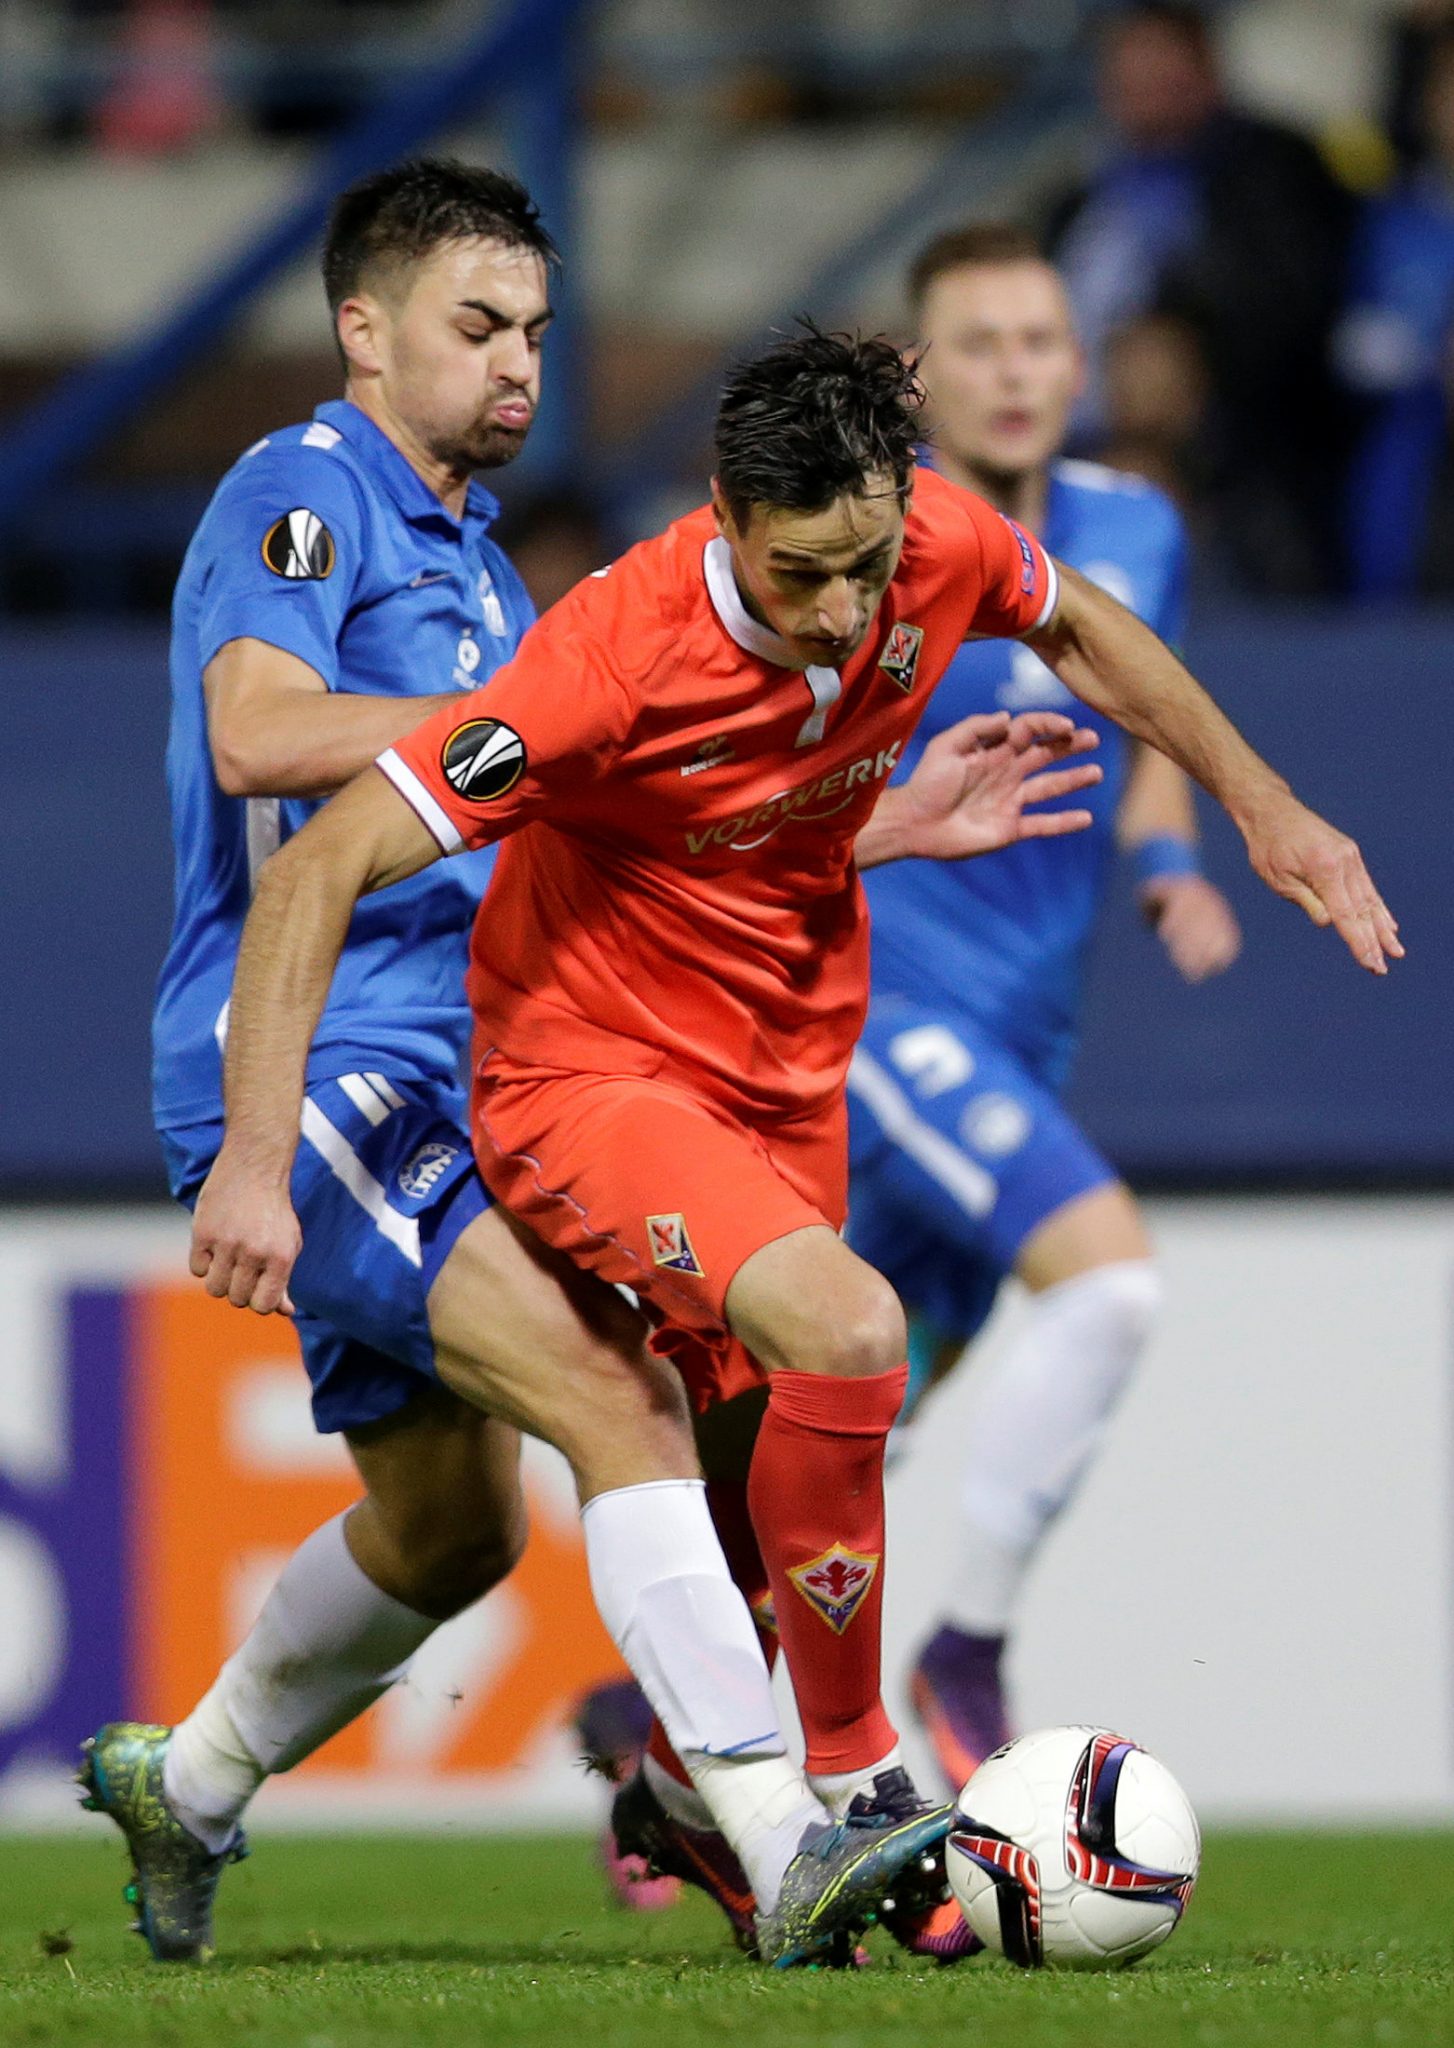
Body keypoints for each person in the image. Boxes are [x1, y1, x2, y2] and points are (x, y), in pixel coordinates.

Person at [188, 325, 1398, 1948]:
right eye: (798, 574)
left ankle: (697, 1789)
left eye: (867, 564)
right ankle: (859, 1782)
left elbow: (1082, 625)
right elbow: (318, 861)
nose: (841, 611)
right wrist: (256, 1158)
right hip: (588, 1079)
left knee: (763, 1479)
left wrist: (1260, 803)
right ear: (721, 514)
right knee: (848, 1323)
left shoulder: (932, 544)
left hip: (780, 1073)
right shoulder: (603, 655)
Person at [80, 162, 1052, 1971]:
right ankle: (779, 1832)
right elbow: (252, 730)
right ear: (361, 330)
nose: (518, 362)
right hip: (320, 1061)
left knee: (448, 1534)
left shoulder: (476, 555)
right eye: (474, 325)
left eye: (534, 327)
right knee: (629, 1404)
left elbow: (606, 803)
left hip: (462, 1063)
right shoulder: (304, 496)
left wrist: (849, 821)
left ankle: (189, 1778)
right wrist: (518, 746)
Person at [845, 222, 1242, 1791]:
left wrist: (1168, 865)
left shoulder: (1134, 530)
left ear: (1079, 365)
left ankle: (670, 1735)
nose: (1015, 372)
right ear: (918, 377)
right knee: (1109, 1282)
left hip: (1023, 1025)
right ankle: (961, 1651)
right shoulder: (865, 543)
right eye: (981, 345)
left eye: (1039, 342)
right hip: (880, 1005)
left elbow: (1146, 728)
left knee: (858, 1418)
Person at [1046, 0, 1352, 593]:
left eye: (1162, 75)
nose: (1144, 94)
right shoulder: (1080, 194)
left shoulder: (1275, 166)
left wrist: (1186, 349)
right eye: (1126, 76)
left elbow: (1294, 308)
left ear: (1207, 72)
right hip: (1069, 426)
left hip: (1230, 442)